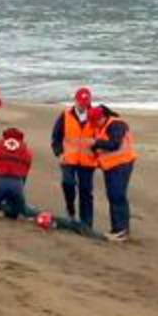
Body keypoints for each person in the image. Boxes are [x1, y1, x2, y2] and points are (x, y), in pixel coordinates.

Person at [51, 87, 97, 227]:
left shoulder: (94, 115)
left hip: (87, 160)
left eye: (86, 102)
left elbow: (100, 136)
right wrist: (59, 153)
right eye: (81, 102)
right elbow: (56, 137)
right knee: (68, 183)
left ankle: (86, 222)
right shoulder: (65, 115)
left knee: (86, 191)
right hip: (68, 158)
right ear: (75, 101)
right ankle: (70, 209)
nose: (84, 105)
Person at [89, 104, 136, 242]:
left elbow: (114, 144)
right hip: (110, 166)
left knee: (118, 196)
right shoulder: (100, 126)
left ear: (102, 117)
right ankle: (117, 229)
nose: (94, 124)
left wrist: (96, 143)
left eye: (96, 121)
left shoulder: (116, 125)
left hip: (122, 164)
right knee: (113, 196)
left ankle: (122, 230)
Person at [0, 127, 33, 219]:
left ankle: (3, 206)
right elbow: (25, 173)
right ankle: (62, 222)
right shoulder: (25, 150)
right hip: (17, 184)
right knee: (18, 211)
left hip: (1, 182)